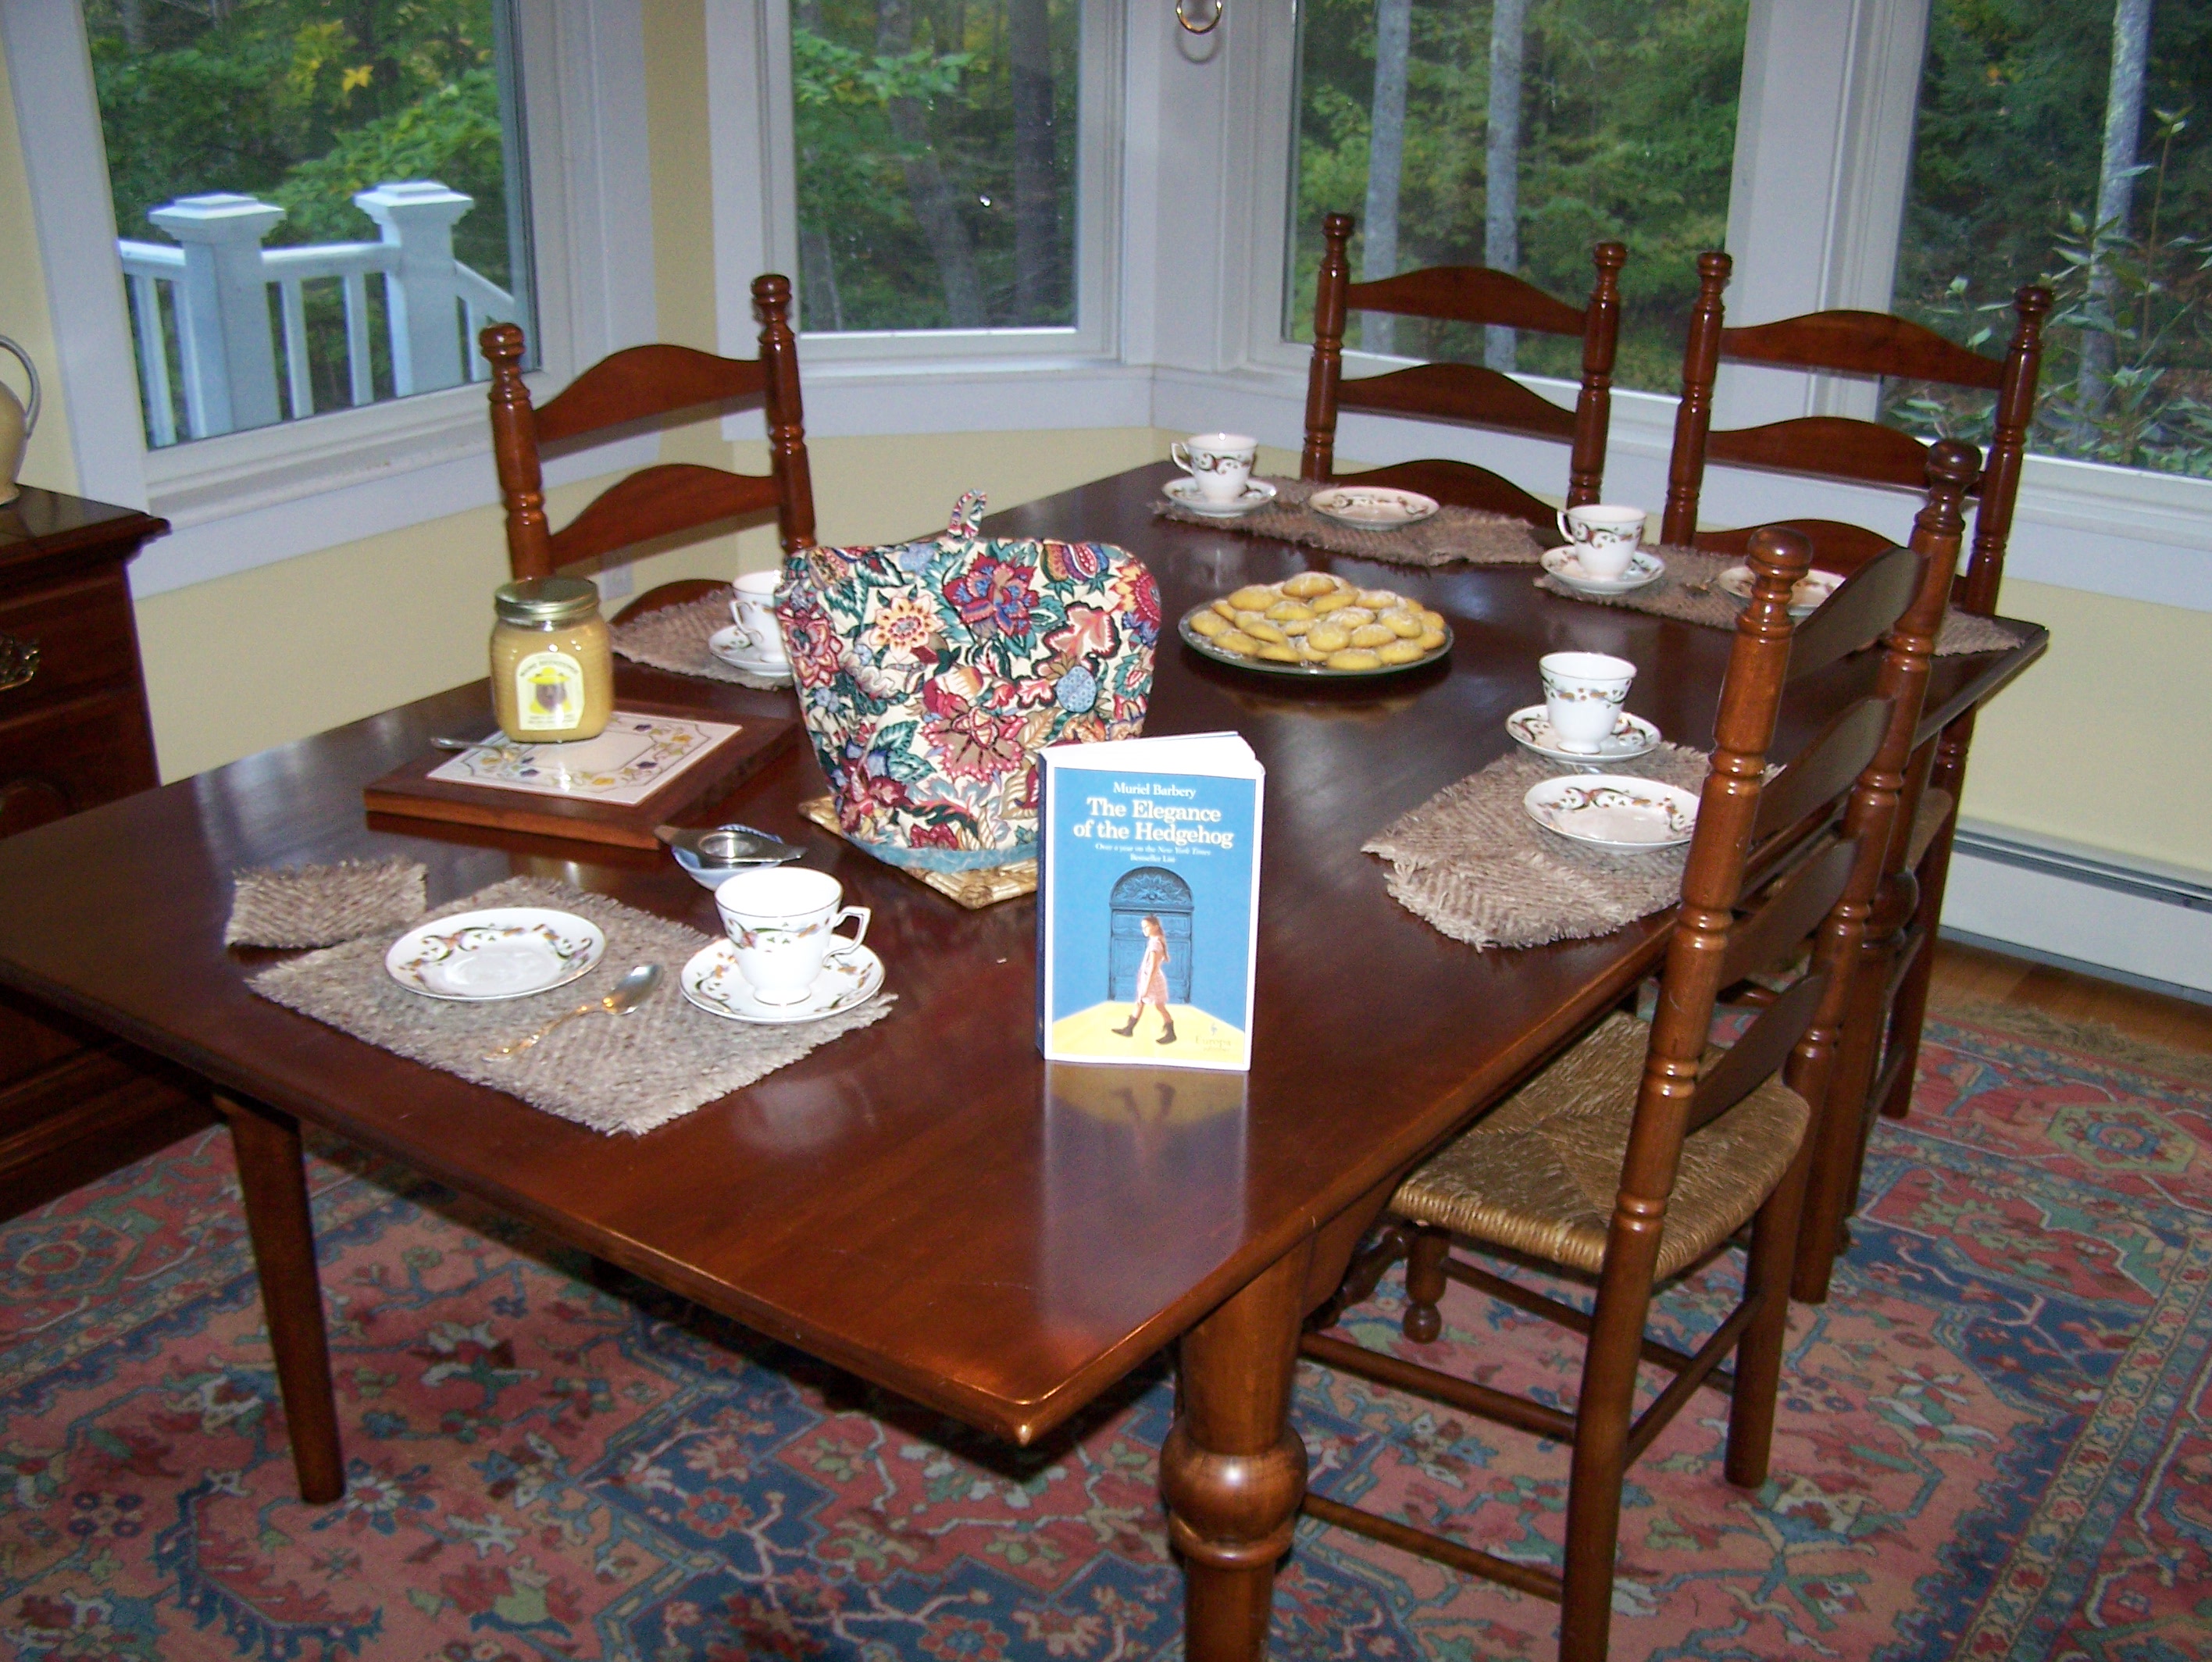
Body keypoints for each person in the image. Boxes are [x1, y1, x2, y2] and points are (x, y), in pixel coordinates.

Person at [1112, 915, 1176, 1044]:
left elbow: (1153, 967)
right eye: (1143, 928)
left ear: (1156, 927)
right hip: (1151, 978)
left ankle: (1171, 1033)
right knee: (1141, 1002)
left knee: (1159, 1006)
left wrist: (1146, 987)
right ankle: (1129, 1029)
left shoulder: (1154, 943)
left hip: (1152, 980)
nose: (1144, 930)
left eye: (1147, 927)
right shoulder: (1157, 940)